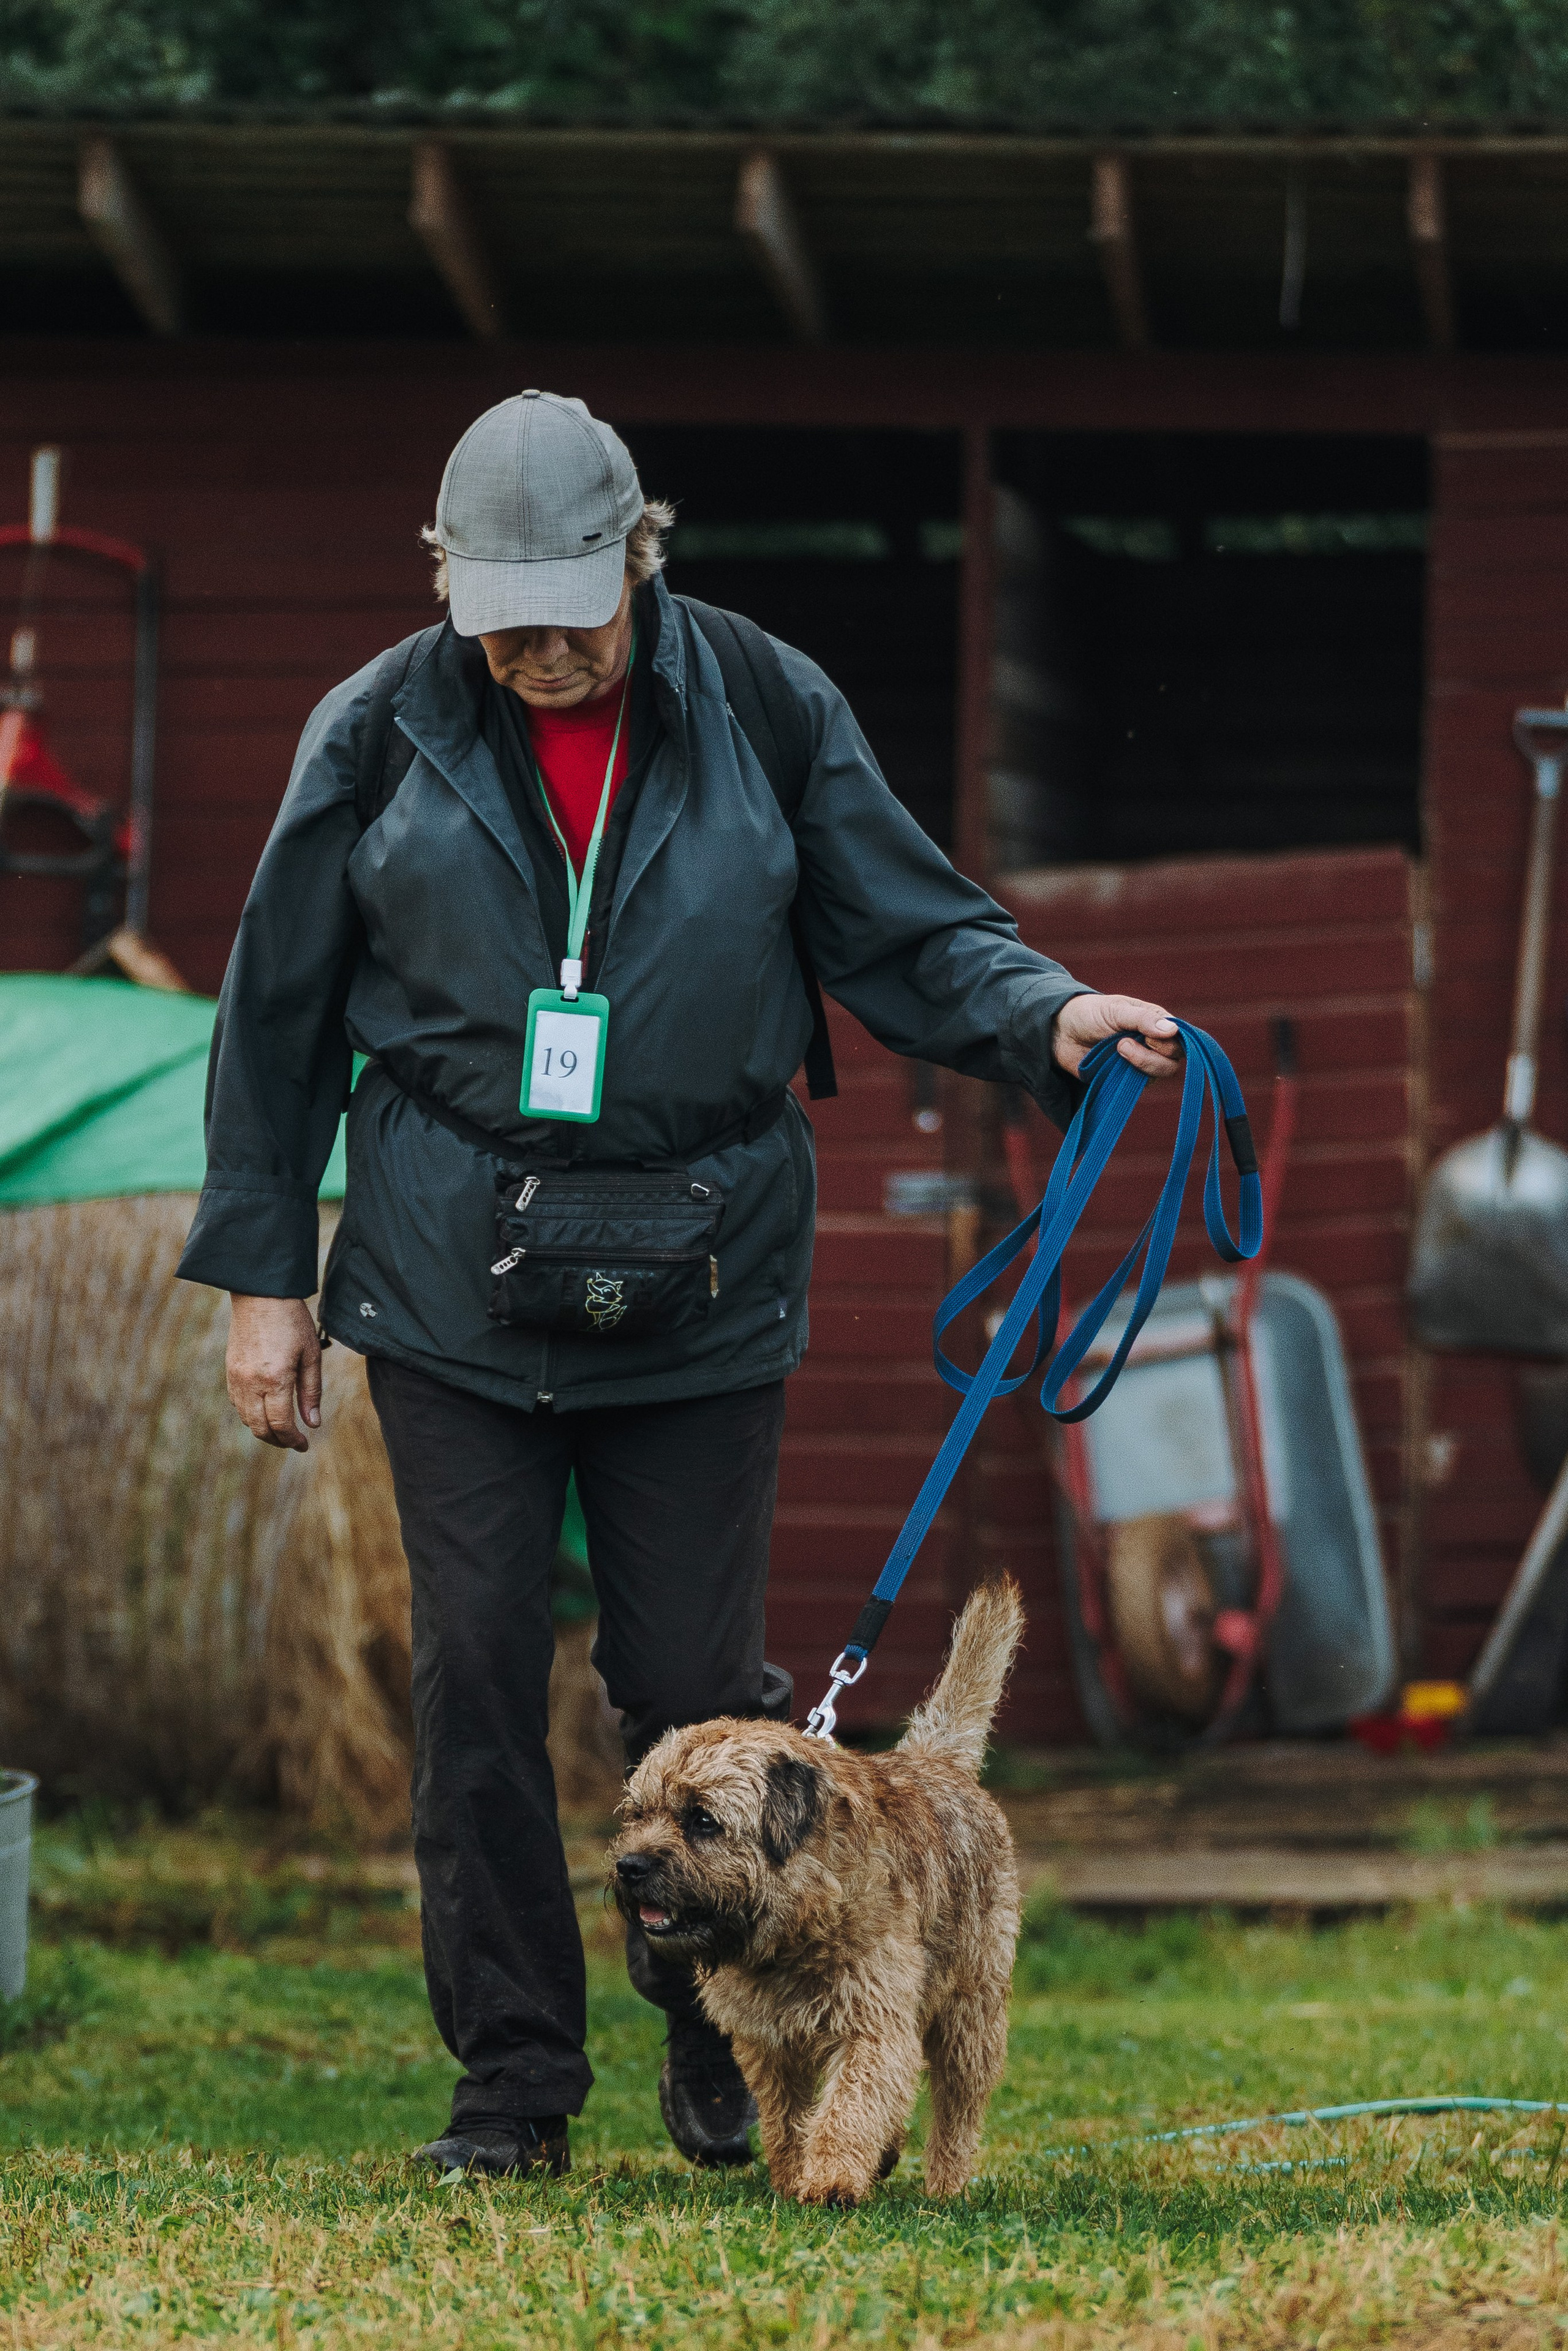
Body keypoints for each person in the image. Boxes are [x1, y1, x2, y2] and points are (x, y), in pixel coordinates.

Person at [178, 391, 1181, 2178]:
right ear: (448, 588)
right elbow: (274, 1012)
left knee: (692, 1679)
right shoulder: (378, 729)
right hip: (447, 1277)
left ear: (643, 558)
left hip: (702, 1267)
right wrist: (268, 1278)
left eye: (573, 608)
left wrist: (1047, 1014)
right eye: (503, 619)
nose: (541, 652)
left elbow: (906, 924)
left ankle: (719, 2032)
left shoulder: (769, 703)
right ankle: (509, 2091)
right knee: (476, 1676)